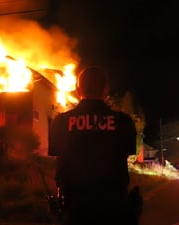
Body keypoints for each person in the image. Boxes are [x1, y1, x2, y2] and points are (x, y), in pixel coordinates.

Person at [49, 66, 138, 225]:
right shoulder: (123, 122)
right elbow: (125, 155)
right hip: (113, 210)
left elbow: (58, 157)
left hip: (73, 212)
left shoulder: (60, 122)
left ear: (78, 90)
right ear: (106, 90)